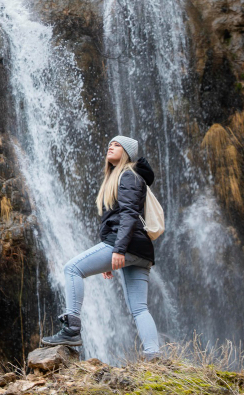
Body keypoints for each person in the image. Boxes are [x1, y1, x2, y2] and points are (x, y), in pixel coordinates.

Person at [41, 135, 160, 356]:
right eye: (109, 144)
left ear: (126, 152)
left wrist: (118, 249)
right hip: (139, 250)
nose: (111, 146)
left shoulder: (128, 175)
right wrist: (113, 256)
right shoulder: (122, 177)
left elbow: (129, 215)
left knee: (72, 269)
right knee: (140, 308)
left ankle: (72, 329)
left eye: (117, 145)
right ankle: (154, 357)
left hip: (127, 244)